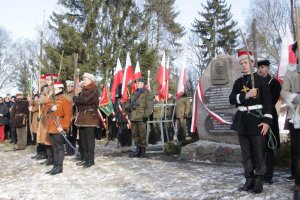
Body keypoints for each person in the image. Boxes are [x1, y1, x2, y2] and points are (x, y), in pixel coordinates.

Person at [229, 50, 272, 194]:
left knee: (259, 152)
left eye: (246, 62)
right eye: (241, 63)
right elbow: (231, 99)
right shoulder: (238, 82)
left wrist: (266, 121)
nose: (243, 65)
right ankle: (249, 178)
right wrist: (245, 95)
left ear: (252, 63)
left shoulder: (261, 80)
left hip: (257, 120)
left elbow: (268, 103)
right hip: (242, 121)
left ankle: (259, 179)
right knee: (246, 153)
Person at [257, 59, 281, 184]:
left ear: (267, 68)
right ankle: (260, 172)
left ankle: (269, 175)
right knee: (258, 146)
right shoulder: (254, 82)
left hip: (270, 117)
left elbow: (272, 101)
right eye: (259, 67)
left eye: (262, 67)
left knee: (269, 146)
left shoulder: (274, 83)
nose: (260, 69)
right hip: (256, 117)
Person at [281, 41, 300, 198]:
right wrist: (296, 97)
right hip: (296, 115)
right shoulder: (290, 71)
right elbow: (284, 91)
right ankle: (299, 182)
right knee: (297, 150)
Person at [42, 82, 72, 175]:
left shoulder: (65, 100)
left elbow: (68, 115)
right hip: (50, 125)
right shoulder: (51, 100)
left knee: (59, 148)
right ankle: (55, 166)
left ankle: (59, 167)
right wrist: (51, 109)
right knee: (54, 147)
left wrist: (63, 127)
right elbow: (44, 110)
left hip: (58, 126)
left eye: (54, 89)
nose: (52, 91)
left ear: (59, 89)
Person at [74, 73, 99, 168]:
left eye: (86, 79)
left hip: (90, 118)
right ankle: (85, 158)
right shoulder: (84, 90)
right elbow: (82, 101)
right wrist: (78, 99)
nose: (84, 81)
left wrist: (77, 99)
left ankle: (91, 159)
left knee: (89, 141)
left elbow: (86, 100)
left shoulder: (94, 89)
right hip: (83, 118)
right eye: (83, 79)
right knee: (83, 140)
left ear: (91, 80)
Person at [125, 78, 154, 158]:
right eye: (136, 83)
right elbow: (127, 104)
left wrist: (146, 116)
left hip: (141, 117)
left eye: (138, 83)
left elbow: (149, 107)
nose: (136, 84)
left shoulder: (147, 94)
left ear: (142, 84)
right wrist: (130, 107)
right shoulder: (134, 93)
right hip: (133, 116)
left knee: (142, 134)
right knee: (135, 134)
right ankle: (138, 150)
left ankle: (143, 151)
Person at [65, 80, 77, 156]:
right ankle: (67, 149)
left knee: (72, 134)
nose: (69, 88)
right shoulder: (64, 95)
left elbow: (75, 107)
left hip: (72, 117)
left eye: (71, 86)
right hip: (65, 117)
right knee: (66, 134)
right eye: (68, 86)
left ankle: (72, 150)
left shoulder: (74, 95)